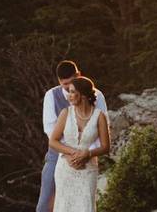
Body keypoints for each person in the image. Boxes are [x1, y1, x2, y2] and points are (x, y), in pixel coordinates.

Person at [36, 60, 107, 212]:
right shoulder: (51, 96)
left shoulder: (96, 95)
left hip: (87, 157)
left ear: (78, 75)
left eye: (71, 83)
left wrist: (86, 154)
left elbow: (102, 129)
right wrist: (69, 154)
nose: (68, 89)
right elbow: (50, 131)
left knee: (83, 204)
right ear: (59, 81)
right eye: (64, 84)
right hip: (58, 155)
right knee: (45, 203)